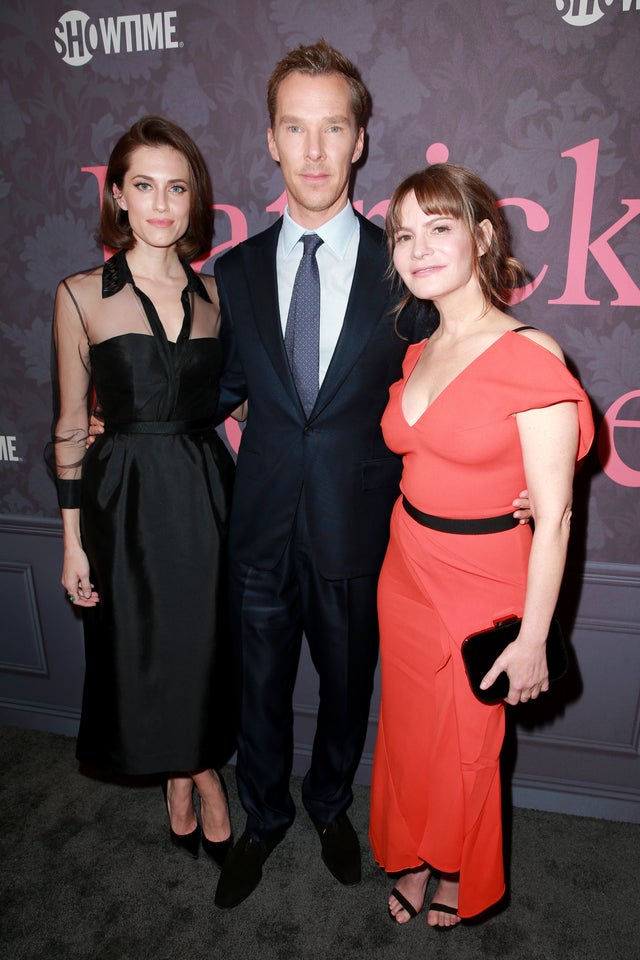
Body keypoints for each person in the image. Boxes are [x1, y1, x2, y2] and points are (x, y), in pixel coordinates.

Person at [212, 43, 531, 910]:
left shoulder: (409, 265)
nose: (314, 151)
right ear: (272, 141)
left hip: (366, 534)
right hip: (261, 526)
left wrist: (530, 474)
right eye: (294, 128)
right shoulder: (234, 271)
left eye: (334, 129)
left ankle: (327, 805)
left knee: (349, 694)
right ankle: (265, 816)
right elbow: (230, 391)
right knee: (260, 694)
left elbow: (469, 366)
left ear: (359, 141)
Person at [368, 164, 594, 928]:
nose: (418, 249)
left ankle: (463, 866)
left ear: (483, 236)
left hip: (483, 574)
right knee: (409, 728)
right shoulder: (417, 349)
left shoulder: (534, 357)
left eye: (440, 227)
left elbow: (556, 517)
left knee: (469, 741)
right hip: (404, 568)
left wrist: (535, 638)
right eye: (404, 234)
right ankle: (422, 853)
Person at [51, 116, 239, 866]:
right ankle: (189, 776)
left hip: (202, 494)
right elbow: (69, 426)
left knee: (199, 652)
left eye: (178, 187)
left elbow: (242, 402)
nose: (162, 203)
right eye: (144, 186)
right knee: (139, 653)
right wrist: (71, 544)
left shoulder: (222, 299)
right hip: (120, 502)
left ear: (194, 202)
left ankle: (196, 779)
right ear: (119, 197)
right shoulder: (79, 296)